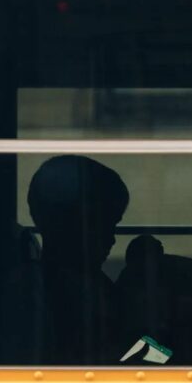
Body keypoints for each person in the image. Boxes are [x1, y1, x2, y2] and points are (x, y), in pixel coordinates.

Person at [26, 155, 129, 364]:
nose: (112, 239)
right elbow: (130, 356)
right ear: (73, 225)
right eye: (103, 225)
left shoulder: (91, 285)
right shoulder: (76, 293)